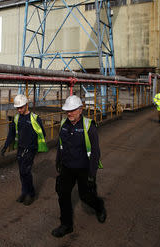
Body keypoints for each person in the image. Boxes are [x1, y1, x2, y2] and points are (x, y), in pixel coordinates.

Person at [52, 95, 106, 238]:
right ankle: (66, 225)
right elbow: (60, 146)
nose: (69, 113)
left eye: (73, 110)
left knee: (86, 197)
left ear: (80, 110)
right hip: (67, 168)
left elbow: (95, 152)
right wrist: (58, 161)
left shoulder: (89, 126)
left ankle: (99, 206)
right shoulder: (64, 124)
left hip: (84, 168)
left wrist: (92, 174)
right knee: (63, 194)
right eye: (67, 110)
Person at [0, 94, 48, 206]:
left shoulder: (35, 119)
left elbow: (43, 134)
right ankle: (24, 192)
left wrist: (34, 146)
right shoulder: (17, 118)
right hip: (20, 149)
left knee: (26, 171)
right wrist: (5, 146)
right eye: (17, 108)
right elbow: (11, 134)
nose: (19, 110)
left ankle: (31, 194)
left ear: (27, 105)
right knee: (22, 172)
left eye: (21, 107)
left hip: (31, 150)